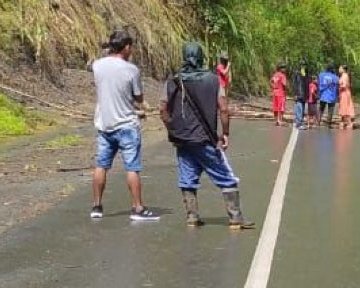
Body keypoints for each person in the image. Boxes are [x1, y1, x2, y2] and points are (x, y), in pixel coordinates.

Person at [160, 41, 255, 229]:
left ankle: (192, 217)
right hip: (205, 138)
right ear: (201, 57)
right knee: (226, 177)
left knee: (187, 177)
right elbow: (224, 109)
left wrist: (172, 128)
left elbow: (163, 109)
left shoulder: (173, 80)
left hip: (182, 139)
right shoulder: (213, 80)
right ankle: (235, 218)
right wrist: (225, 133)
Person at [90, 29, 157, 221]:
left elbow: (101, 74)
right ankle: (137, 208)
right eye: (131, 47)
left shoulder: (98, 66)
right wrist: (138, 110)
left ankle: (96, 206)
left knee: (101, 165)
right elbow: (138, 97)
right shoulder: (131, 70)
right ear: (126, 47)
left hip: (104, 125)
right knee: (132, 168)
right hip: (127, 124)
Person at [292, 62, 310, 129]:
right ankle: (298, 123)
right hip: (299, 94)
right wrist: (295, 93)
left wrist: (307, 95)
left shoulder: (306, 73)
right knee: (299, 109)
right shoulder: (297, 73)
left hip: (304, 94)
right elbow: (295, 84)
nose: (303, 66)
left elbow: (307, 85)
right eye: (302, 65)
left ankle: (300, 122)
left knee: (302, 110)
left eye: (304, 65)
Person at [337, 64, 355, 129]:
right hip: (344, 93)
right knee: (343, 108)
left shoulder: (344, 76)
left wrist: (339, 86)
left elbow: (344, 85)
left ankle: (349, 123)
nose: (339, 69)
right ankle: (342, 123)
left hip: (344, 93)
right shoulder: (344, 75)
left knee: (345, 108)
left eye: (340, 68)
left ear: (343, 69)